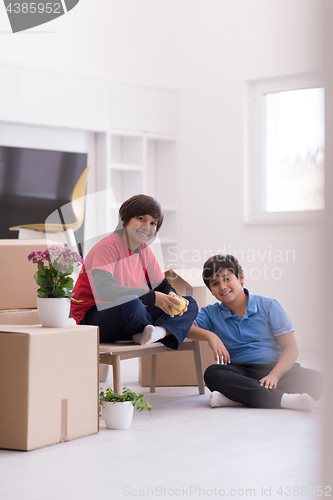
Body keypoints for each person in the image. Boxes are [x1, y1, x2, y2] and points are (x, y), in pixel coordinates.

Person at [187, 254, 323, 411]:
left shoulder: (268, 305)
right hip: (240, 371)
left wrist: (274, 376)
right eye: (215, 283)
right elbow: (187, 328)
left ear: (241, 277)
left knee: (316, 380)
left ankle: (237, 399)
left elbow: (291, 349)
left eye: (227, 279)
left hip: (276, 368)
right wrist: (210, 336)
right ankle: (283, 400)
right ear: (211, 290)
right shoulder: (211, 312)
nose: (223, 286)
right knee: (212, 373)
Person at [71, 194, 198, 349]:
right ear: (124, 220)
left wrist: (170, 295)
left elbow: (161, 285)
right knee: (131, 304)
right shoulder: (107, 247)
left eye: (153, 223)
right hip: (93, 318)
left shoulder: (145, 251)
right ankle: (151, 331)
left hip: (129, 317)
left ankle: (156, 332)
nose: (147, 226)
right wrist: (153, 298)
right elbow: (104, 291)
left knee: (189, 304)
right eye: (141, 219)